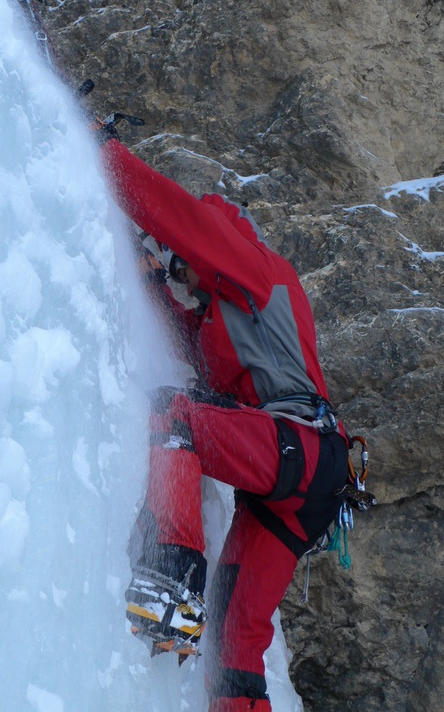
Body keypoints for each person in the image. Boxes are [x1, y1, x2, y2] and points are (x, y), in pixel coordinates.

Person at [101, 131, 350, 712]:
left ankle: (173, 575)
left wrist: (104, 156)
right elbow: (185, 337)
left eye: (180, 264)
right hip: (299, 490)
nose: (181, 276)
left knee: (176, 416)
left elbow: (175, 214)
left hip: (301, 451)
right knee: (232, 644)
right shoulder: (226, 317)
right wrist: (147, 278)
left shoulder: (256, 270)